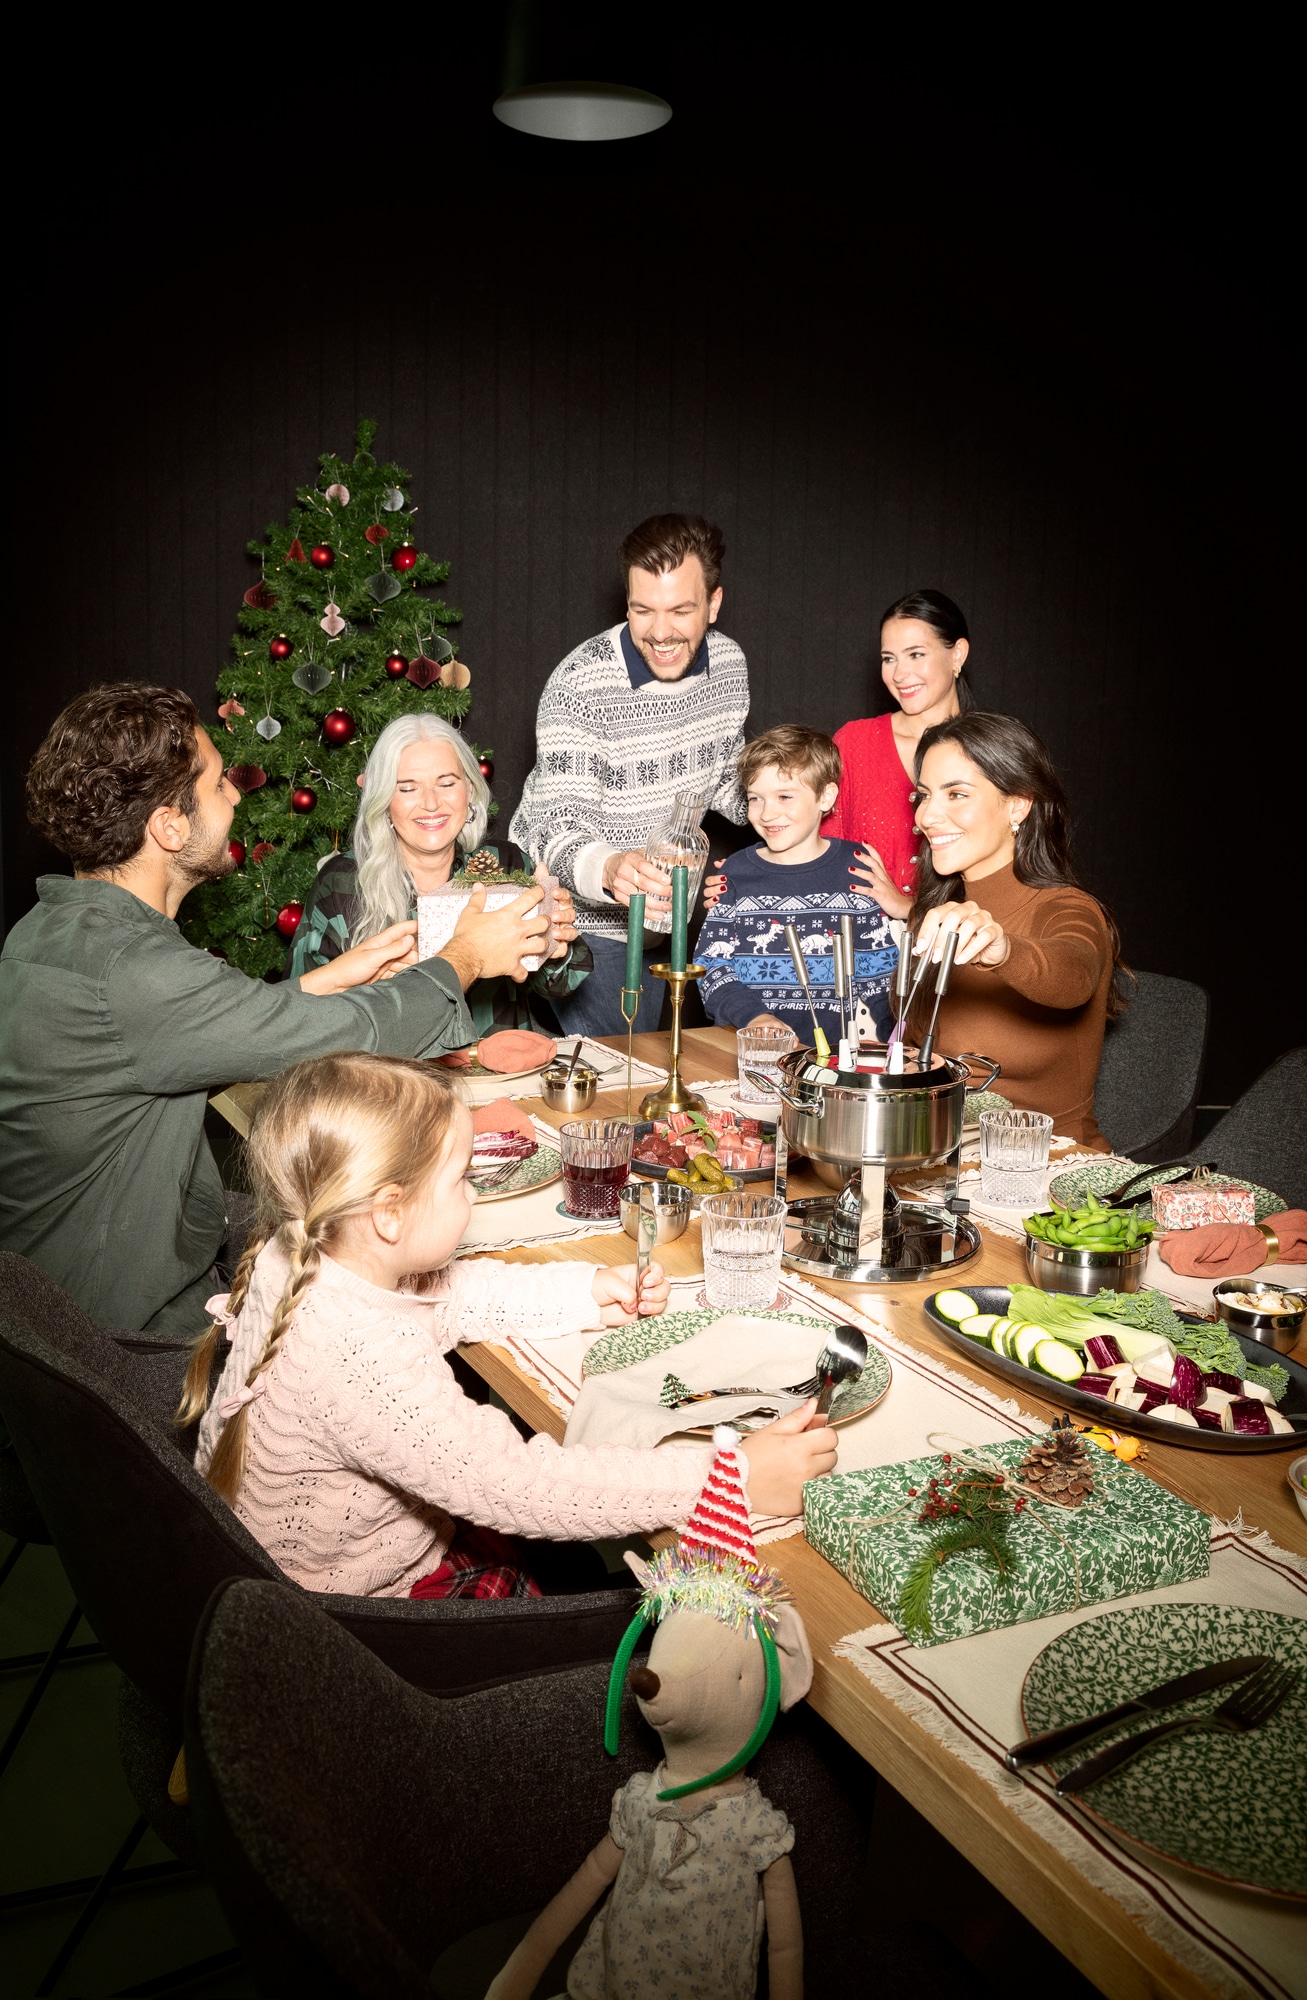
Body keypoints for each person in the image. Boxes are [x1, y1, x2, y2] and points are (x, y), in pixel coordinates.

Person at [0, 684, 550, 1335]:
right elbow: (335, 1038)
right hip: (122, 1335)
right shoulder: (137, 971)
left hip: (54, 1305)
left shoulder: (58, 930)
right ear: (168, 826)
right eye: (217, 786)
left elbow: (222, 1023)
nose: (236, 796)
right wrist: (461, 959)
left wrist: (330, 976)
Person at [181, 1052, 837, 1597]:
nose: (472, 1195)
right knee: (671, 1607)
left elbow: (445, 1295)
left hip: (314, 1567)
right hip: (362, 1616)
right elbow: (523, 1487)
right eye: (463, 1179)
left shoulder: (302, 1253)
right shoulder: (356, 1355)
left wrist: (584, 1292)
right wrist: (731, 1479)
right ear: (387, 1213)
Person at [510, 515, 750, 1037]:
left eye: (681, 610)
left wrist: (789, 793)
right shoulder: (579, 683)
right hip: (579, 922)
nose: (660, 632)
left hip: (664, 919)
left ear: (713, 604)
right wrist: (612, 865)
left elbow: (728, 775)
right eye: (644, 610)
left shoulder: (729, 665)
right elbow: (555, 829)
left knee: (643, 1072)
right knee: (623, 1069)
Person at [286, 714, 592, 1037]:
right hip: (392, 1079)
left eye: (447, 783)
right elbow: (300, 1013)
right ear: (384, 801)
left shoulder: (506, 865)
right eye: (407, 788)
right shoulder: (342, 883)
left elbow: (565, 982)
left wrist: (555, 947)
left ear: (469, 790)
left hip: (500, 1078)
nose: (431, 803)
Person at [906, 712, 1123, 1148]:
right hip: (944, 1150)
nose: (928, 815)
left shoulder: (1069, 908)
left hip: (1049, 1170)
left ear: (1018, 805)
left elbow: (1074, 974)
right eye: (924, 795)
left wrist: (1002, 949)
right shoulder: (933, 912)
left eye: (957, 794)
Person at [697, 727, 896, 1048]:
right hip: (752, 1048)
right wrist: (754, 1017)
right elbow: (712, 966)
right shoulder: (735, 872)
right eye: (755, 798)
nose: (767, 813)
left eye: (785, 796)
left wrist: (900, 1038)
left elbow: (881, 975)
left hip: (833, 1055)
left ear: (826, 797)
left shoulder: (856, 866)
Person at [821, 589, 972, 920]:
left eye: (916, 654)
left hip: (958, 961)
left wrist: (911, 910)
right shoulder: (854, 744)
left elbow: (1008, 885)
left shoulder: (990, 752)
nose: (899, 674)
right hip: (856, 955)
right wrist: (746, 877)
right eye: (889, 658)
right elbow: (818, 857)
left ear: (957, 653)